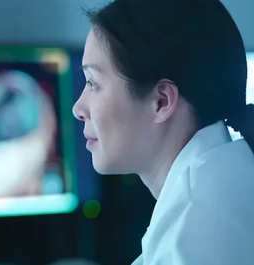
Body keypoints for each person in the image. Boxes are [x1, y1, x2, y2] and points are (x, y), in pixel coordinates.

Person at [72, 0, 254, 264]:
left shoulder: (194, 231)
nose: (78, 108)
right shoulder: (224, 180)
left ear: (162, 102)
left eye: (92, 83)